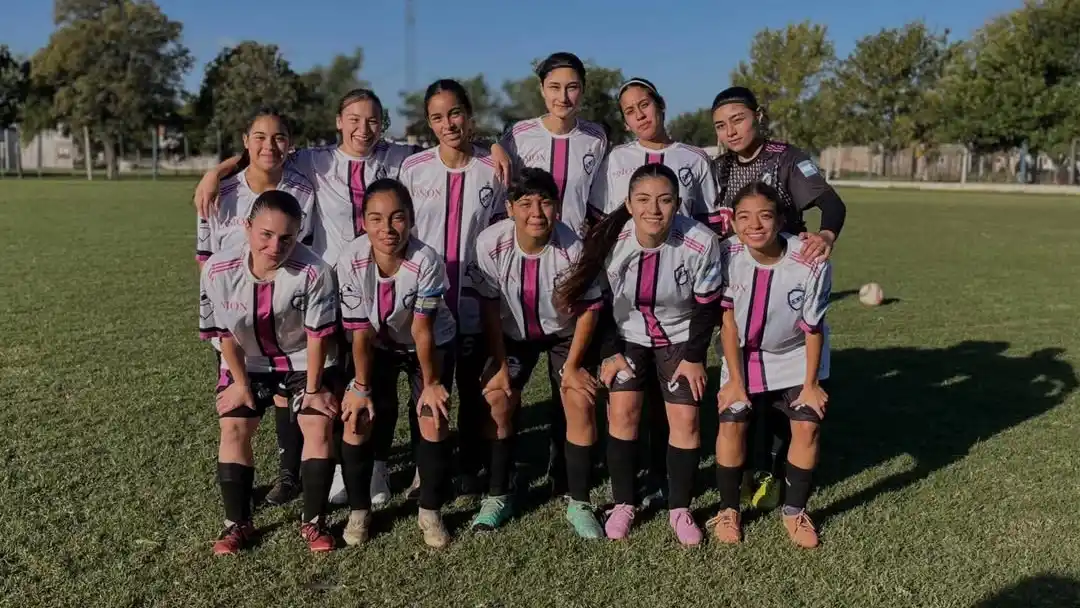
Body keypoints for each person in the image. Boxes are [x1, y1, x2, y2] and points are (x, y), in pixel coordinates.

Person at [194, 90, 509, 508]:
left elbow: (449, 143)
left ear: (383, 124)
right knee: (337, 382)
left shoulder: (398, 157)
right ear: (339, 121)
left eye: (373, 120)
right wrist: (217, 171)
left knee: (386, 383)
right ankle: (334, 469)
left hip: (396, 289)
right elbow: (267, 152)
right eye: (354, 119)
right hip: (328, 295)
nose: (364, 128)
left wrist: (493, 147)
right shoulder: (315, 160)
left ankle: (406, 467)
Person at [559, 164, 725, 546]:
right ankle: (624, 503)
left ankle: (679, 508)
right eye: (644, 200)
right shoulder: (609, 240)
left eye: (664, 200)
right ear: (629, 204)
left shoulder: (700, 242)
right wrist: (610, 352)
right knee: (622, 412)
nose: (654, 209)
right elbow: (597, 302)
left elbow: (706, 308)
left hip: (680, 336)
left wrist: (694, 357)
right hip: (628, 335)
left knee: (686, 419)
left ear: (677, 204)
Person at [710, 86, 846, 509]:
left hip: (784, 277)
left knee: (780, 395)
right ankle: (742, 475)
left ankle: (773, 471)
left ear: (759, 116)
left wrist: (826, 235)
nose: (731, 131)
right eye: (721, 126)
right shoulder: (717, 168)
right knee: (741, 381)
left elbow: (832, 203)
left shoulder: (785, 158)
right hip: (738, 278)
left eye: (738, 119)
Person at [199, 190, 340, 555]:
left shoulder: (315, 271)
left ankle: (314, 521)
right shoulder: (217, 269)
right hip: (246, 362)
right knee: (234, 425)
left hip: (303, 360)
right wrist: (240, 384)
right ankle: (237, 524)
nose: (275, 246)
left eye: (286, 238)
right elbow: (224, 334)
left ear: (299, 234)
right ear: (247, 227)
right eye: (266, 234)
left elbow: (318, 337)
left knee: (317, 422)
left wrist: (313, 390)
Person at [469, 168, 605, 537]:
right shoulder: (490, 243)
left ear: (557, 208)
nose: (536, 212)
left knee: (579, 399)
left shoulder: (574, 248)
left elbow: (589, 311)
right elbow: (489, 307)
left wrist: (573, 367)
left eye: (544, 202)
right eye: (525, 203)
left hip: (564, 333)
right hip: (513, 335)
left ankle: (579, 501)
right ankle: (498, 494)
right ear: (510, 208)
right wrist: (499, 363)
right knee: (497, 398)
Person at [497, 51, 608, 497]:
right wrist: (490, 143)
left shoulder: (597, 137)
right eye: (555, 87)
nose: (564, 96)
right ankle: (497, 468)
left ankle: (565, 468)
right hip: (526, 267)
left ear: (583, 90)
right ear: (542, 90)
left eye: (573, 87)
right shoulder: (517, 135)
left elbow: (597, 203)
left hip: (575, 269)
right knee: (504, 383)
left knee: (574, 378)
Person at [195, 108, 316, 509]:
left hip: (287, 316)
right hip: (236, 320)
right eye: (259, 137)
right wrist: (215, 173)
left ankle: (288, 476)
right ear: (245, 141)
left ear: (290, 143)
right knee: (240, 402)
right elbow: (204, 260)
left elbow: (305, 255)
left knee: (285, 395)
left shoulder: (303, 191)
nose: (269, 145)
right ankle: (240, 495)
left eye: (279, 137)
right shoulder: (220, 193)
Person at [398, 79, 508, 498]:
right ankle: (426, 470)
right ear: (429, 123)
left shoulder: (493, 168)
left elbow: (500, 232)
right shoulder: (413, 168)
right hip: (428, 304)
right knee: (428, 387)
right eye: (438, 117)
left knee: (474, 391)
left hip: (477, 299)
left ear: (470, 116)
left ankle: (471, 466)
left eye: (455, 113)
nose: (448, 124)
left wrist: (495, 146)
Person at [707, 181, 831, 549]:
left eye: (764, 216)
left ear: (779, 220)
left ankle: (795, 511)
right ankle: (728, 509)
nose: (754, 225)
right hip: (743, 354)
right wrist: (735, 381)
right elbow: (728, 323)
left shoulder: (810, 259)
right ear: (733, 222)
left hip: (796, 354)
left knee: (807, 424)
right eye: (744, 217)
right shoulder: (726, 254)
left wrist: (811, 385)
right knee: (732, 420)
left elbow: (813, 328)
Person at [336, 179, 458, 549]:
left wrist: (432, 384)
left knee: (433, 417)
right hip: (376, 342)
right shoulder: (350, 259)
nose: (387, 228)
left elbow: (423, 329)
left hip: (430, 343)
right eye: (376, 218)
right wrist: (360, 388)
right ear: (363, 222)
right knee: (358, 417)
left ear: (411, 219)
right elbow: (359, 333)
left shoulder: (427, 260)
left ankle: (430, 511)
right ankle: (359, 511)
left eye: (397, 217)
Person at [588, 77, 723, 233]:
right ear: (625, 123)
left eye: (644, 105)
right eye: (630, 111)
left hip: (680, 248)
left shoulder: (696, 159)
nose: (640, 115)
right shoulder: (615, 159)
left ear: (661, 105)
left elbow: (710, 225)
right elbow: (598, 221)